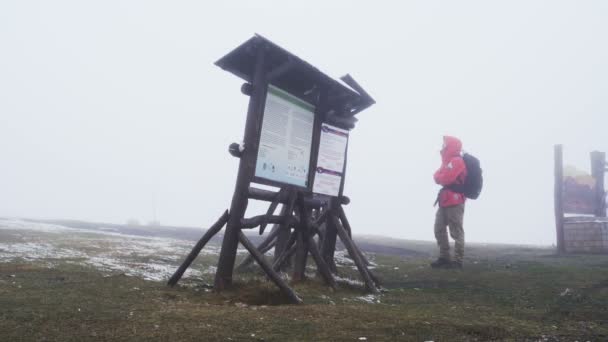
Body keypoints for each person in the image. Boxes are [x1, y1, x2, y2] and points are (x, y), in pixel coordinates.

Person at [431, 136, 467, 269]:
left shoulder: (457, 161)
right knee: (439, 228)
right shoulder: (447, 162)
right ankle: (444, 257)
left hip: (455, 200)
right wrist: (441, 177)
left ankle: (457, 261)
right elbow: (436, 176)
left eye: (445, 144)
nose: (442, 146)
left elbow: (445, 178)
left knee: (456, 231)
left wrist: (441, 177)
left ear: (450, 146)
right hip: (445, 199)